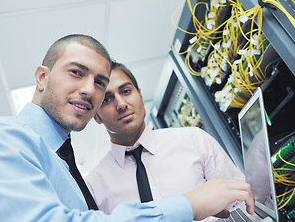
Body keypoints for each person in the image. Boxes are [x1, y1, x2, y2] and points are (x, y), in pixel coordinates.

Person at [0, 34, 254, 222]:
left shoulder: (63, 169)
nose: (89, 90)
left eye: (99, 82)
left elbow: (245, 204)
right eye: (76, 72)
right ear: (42, 77)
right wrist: (189, 205)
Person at [86, 61, 246, 220]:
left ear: (140, 96)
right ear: (96, 116)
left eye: (126, 91)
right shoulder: (94, 187)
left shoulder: (194, 140)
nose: (121, 104)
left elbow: (241, 202)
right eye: (107, 100)